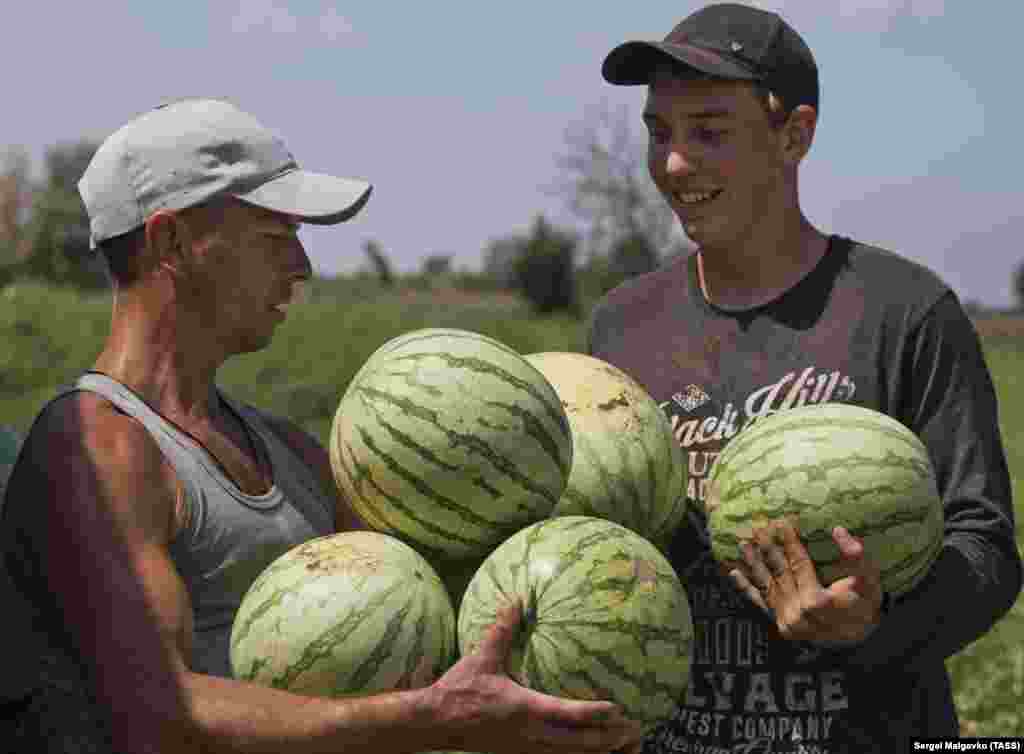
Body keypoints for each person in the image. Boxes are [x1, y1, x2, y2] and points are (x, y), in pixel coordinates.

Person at [0, 98, 643, 754]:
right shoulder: (93, 448)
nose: (302, 267)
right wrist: (433, 718)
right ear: (172, 243)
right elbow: (163, 714)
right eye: (276, 238)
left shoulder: (295, 455)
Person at [588, 3, 1022, 752]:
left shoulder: (904, 312)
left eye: (710, 132)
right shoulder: (620, 326)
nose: (675, 164)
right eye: (659, 133)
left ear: (796, 135)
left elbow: (985, 550)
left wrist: (874, 624)